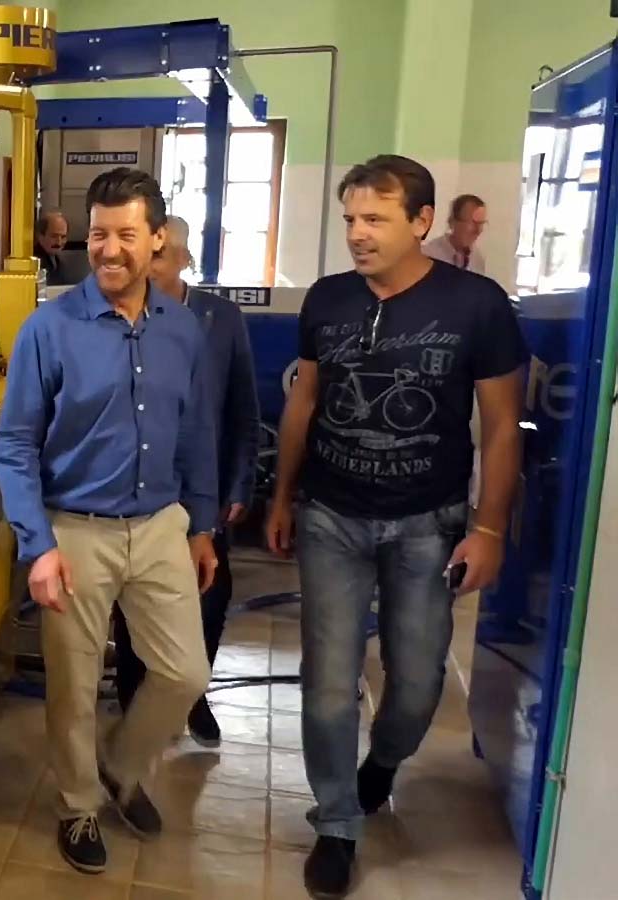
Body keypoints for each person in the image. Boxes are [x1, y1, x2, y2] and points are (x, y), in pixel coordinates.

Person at [264, 156, 525, 898]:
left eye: (375, 219)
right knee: (328, 685)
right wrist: (282, 496)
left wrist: (489, 529)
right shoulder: (328, 299)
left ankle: (380, 766)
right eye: (350, 218)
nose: (357, 233)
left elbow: (501, 426)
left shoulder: (477, 305)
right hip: (331, 518)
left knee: (415, 685)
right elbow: (304, 402)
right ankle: (337, 823)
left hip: (427, 525)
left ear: (421, 221)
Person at [0, 168, 219, 876]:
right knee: (74, 685)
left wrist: (202, 525)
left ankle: (121, 768)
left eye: (126, 234)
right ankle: (78, 804)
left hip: (159, 525)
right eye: (98, 235)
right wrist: (37, 545)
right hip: (75, 529)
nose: (110, 249)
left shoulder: (182, 330)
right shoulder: (49, 329)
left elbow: (195, 434)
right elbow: (14, 445)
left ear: (157, 241)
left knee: (185, 672)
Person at [112, 215, 260, 747]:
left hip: (204, 492)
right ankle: (135, 710)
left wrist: (239, 484)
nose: (150, 263)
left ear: (184, 259)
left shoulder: (220, 319)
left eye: (162, 253)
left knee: (210, 597)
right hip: (141, 491)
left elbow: (242, 408)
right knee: (134, 608)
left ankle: (193, 694)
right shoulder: (120, 316)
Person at [421, 194, 488, 274]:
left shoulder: (477, 260)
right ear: (452, 222)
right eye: (473, 223)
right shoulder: (428, 255)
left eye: (481, 223)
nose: (478, 230)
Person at [36, 209, 69, 283]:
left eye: (63, 237)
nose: (59, 242)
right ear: (40, 236)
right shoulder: (35, 264)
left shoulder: (59, 262)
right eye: (54, 236)